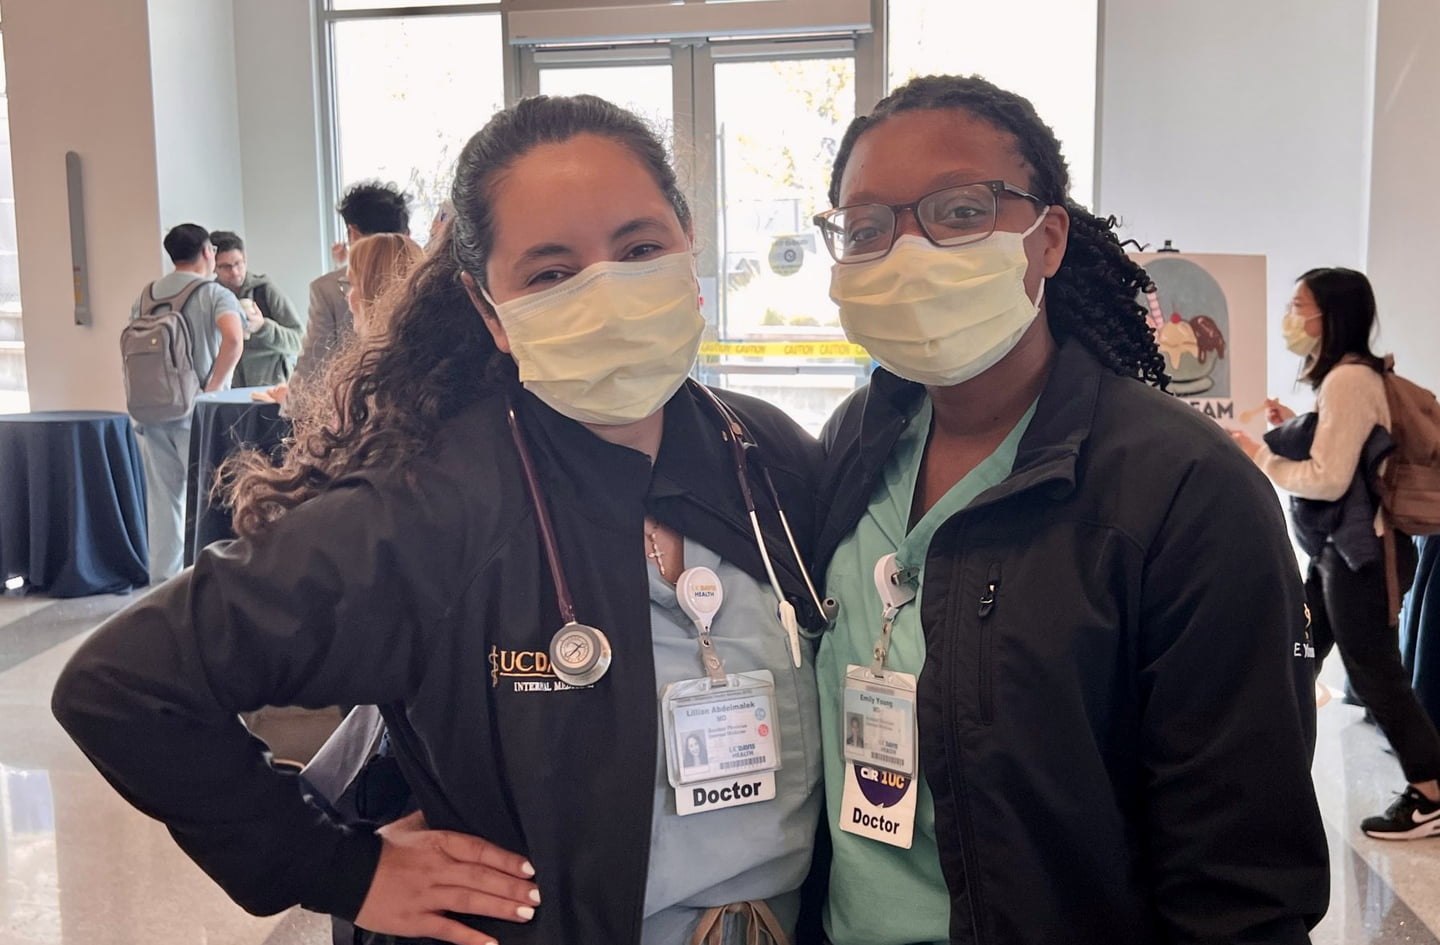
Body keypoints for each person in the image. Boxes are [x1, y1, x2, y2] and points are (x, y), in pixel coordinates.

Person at [54, 95, 827, 945]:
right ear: (489, 310)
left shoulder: (765, 455)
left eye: (641, 249)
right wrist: (336, 865)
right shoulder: (433, 507)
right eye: (551, 274)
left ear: (689, 244)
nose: (607, 290)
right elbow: (124, 685)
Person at [809, 75, 1329, 944]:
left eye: (961, 211)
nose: (906, 254)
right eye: (867, 228)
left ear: (1047, 239)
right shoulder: (852, 448)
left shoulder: (1183, 490)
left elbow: (1241, 873)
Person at [1235, 267, 1440, 840]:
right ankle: (1267, 770)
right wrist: (1289, 426)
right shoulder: (1347, 379)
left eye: (1299, 307)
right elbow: (1342, 447)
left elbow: (1328, 479)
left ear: (1333, 316)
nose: (1290, 318)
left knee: (1374, 675)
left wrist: (1259, 456)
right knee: (1297, 655)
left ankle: (1431, 793)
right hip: (1339, 555)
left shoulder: (1349, 379)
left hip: (1358, 558)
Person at [128, 223, 244, 583]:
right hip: (196, 413)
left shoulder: (145, 296)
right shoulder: (214, 294)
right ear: (208, 252)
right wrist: (213, 388)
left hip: (151, 410)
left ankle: (162, 587)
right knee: (209, 502)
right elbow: (234, 339)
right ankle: (209, 584)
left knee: (163, 503)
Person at [266, 233, 424, 407]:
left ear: (374, 292)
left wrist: (291, 402)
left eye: (353, 284)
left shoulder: (365, 382)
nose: (348, 296)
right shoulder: (426, 365)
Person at [291, 181, 411, 395]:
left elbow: (312, 368)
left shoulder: (328, 290)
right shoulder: (432, 281)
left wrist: (291, 406)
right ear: (407, 232)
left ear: (352, 233)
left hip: (354, 405)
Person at [210, 230, 305, 387]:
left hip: (270, 386)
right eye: (225, 267)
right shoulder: (211, 296)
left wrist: (263, 327)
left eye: (238, 263)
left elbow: (299, 341)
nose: (234, 272)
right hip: (227, 387)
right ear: (213, 266)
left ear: (245, 259)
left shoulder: (264, 290)